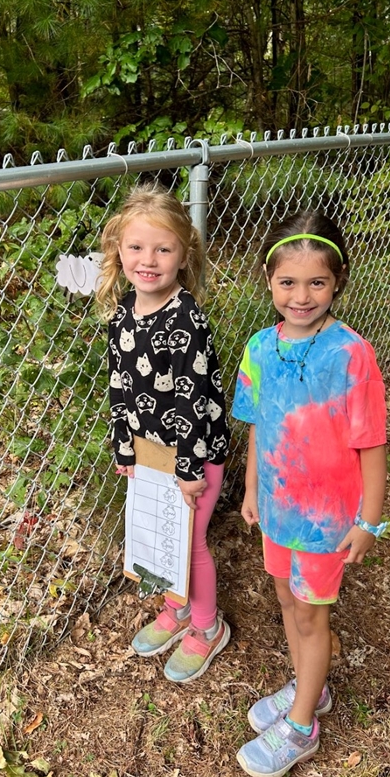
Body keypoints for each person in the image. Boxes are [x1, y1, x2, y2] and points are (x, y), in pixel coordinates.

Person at [231, 210, 387, 777]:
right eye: (287, 283)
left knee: (311, 619)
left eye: (316, 282)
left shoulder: (351, 354)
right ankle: (308, 689)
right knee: (287, 604)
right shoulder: (259, 347)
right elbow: (257, 424)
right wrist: (250, 488)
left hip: (324, 520)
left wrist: (367, 522)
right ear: (268, 282)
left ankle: (301, 727)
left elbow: (371, 444)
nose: (301, 296)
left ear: (337, 280)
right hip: (275, 507)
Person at [96, 182, 232, 683]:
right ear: (118, 251)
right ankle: (176, 607)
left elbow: (194, 400)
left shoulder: (185, 317)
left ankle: (206, 625)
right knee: (162, 539)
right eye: (136, 247)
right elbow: (120, 383)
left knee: (191, 543)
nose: (147, 259)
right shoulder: (123, 312)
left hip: (193, 457)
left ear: (183, 254)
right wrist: (124, 445)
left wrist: (189, 469)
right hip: (150, 455)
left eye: (162, 248)